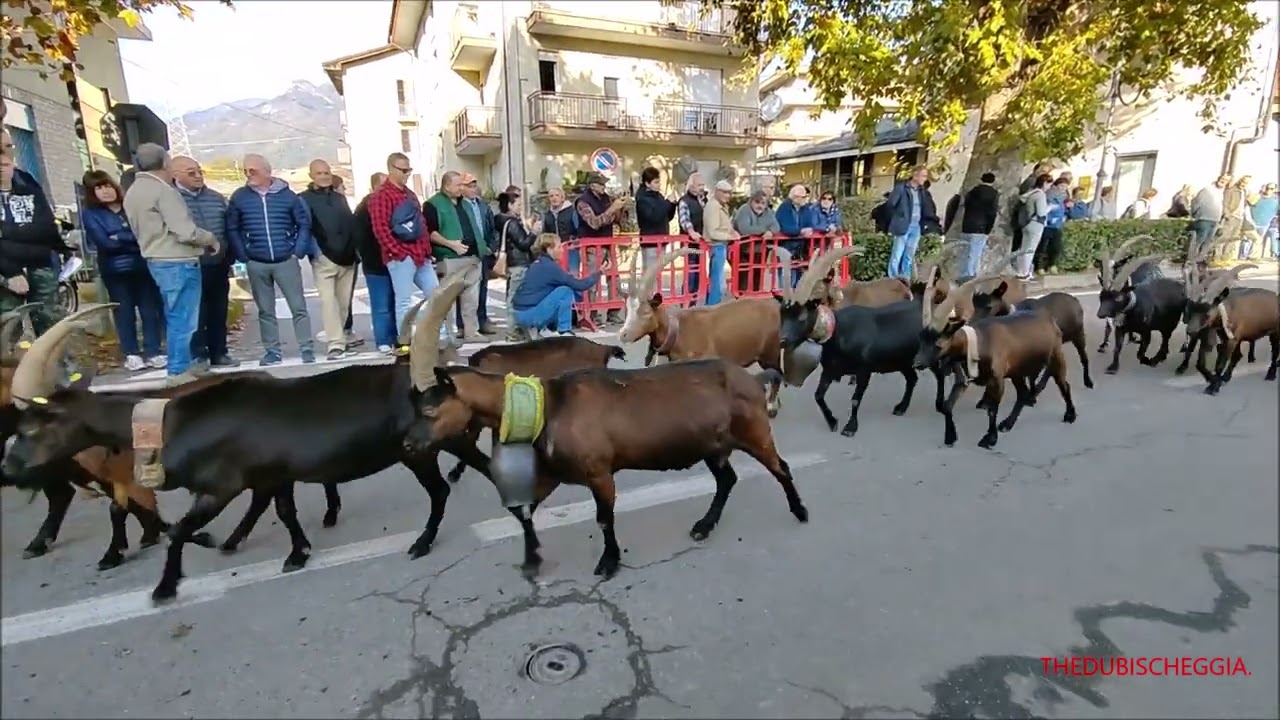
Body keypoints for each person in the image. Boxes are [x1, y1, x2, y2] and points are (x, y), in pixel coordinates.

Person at [123, 143, 219, 386]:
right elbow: (185, 231)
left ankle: (183, 364)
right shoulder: (163, 191)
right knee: (182, 318)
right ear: (165, 163)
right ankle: (178, 371)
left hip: (156, 258)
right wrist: (209, 238)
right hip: (178, 260)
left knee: (175, 314)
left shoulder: (133, 191)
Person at [227, 154, 317, 366]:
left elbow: (303, 223)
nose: (249, 175)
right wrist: (243, 255)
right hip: (256, 261)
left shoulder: (288, 196)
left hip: (286, 259)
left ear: (267, 171)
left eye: (253, 170)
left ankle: (306, 349)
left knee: (298, 307)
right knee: (265, 310)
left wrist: (298, 251)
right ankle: (272, 352)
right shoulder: (240, 197)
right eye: (246, 171)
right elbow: (232, 227)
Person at [80, 170, 164, 371]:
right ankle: (131, 353)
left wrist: (120, 237)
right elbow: (104, 243)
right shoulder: (91, 214)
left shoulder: (130, 207)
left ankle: (153, 351)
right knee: (124, 312)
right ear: (92, 193)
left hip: (143, 265)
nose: (106, 191)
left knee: (149, 310)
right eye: (99, 188)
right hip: (115, 270)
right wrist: (126, 239)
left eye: (107, 185)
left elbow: (146, 234)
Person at [370, 154, 447, 349]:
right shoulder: (381, 196)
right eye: (403, 170)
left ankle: (441, 337)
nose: (406, 174)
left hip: (420, 255)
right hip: (401, 256)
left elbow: (420, 224)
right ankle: (406, 342)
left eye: (408, 170)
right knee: (403, 302)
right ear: (391, 169)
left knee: (436, 295)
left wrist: (426, 251)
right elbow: (380, 229)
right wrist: (398, 252)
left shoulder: (409, 194)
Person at [171, 155, 238, 368]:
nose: (198, 176)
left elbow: (228, 227)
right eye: (191, 172)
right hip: (190, 263)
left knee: (219, 311)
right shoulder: (172, 199)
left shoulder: (216, 198)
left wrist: (229, 254)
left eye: (200, 171)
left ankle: (220, 352)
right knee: (196, 312)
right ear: (176, 174)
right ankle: (198, 354)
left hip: (219, 263)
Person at [0, 130, 63, 334]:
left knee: (51, 329)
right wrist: (10, 273)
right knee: (10, 332)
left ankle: (59, 366)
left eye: (9, 146)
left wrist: (7, 233)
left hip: (41, 265)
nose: (6, 152)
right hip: (5, 273)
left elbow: (47, 228)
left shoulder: (27, 182)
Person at [300, 159, 358, 360]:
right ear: (311, 176)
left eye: (326, 173)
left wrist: (355, 252)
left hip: (348, 259)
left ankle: (340, 339)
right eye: (319, 173)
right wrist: (316, 252)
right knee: (328, 302)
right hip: (324, 259)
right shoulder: (304, 199)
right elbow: (304, 228)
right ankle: (335, 343)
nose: (324, 177)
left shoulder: (339, 198)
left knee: (343, 304)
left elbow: (350, 225)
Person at [424, 170, 484, 343]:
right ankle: (448, 334)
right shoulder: (433, 204)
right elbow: (430, 232)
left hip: (473, 257)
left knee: (471, 299)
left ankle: (472, 332)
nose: (461, 188)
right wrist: (452, 244)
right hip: (451, 258)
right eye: (458, 185)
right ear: (447, 186)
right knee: (447, 299)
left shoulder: (465, 203)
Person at [509, 233, 602, 336]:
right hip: (530, 315)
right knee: (565, 291)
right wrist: (599, 273)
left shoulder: (538, 263)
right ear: (549, 249)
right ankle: (564, 330)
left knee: (555, 293)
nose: (562, 250)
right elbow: (580, 285)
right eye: (559, 247)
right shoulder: (550, 267)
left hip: (519, 313)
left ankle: (541, 328)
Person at [353, 172, 397, 353]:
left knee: (394, 302)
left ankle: (395, 338)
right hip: (375, 263)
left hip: (394, 260)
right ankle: (383, 341)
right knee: (381, 305)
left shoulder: (392, 203)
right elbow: (360, 236)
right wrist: (367, 256)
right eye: (384, 184)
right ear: (374, 187)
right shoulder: (365, 207)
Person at [575, 173, 625, 324]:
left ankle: (613, 313)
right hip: (591, 246)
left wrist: (619, 208)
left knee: (614, 279)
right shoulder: (583, 202)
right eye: (601, 184)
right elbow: (594, 223)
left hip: (608, 243)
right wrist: (611, 210)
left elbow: (614, 221)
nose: (604, 187)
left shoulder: (605, 198)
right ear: (593, 185)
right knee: (592, 281)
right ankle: (592, 315)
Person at [493, 190, 537, 341]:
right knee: (515, 299)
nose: (520, 208)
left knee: (514, 297)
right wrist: (533, 233)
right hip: (519, 262)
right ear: (510, 205)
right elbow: (523, 243)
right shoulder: (511, 223)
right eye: (518, 205)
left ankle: (517, 330)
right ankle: (513, 331)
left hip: (513, 263)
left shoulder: (501, 221)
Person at [458, 174, 497, 336]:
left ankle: (482, 321)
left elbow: (492, 228)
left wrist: (492, 247)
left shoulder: (483, 205)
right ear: (462, 188)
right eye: (469, 185)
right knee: (464, 291)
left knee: (482, 290)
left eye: (474, 185)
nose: (473, 188)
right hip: (466, 253)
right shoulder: (459, 206)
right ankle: (462, 325)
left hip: (484, 253)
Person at [731, 189, 780, 293]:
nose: (760, 206)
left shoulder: (768, 212)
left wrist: (771, 232)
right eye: (757, 202)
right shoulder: (744, 210)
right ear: (751, 201)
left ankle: (754, 300)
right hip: (743, 251)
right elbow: (745, 229)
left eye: (763, 203)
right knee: (743, 281)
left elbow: (776, 226)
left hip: (759, 251)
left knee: (757, 280)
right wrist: (764, 231)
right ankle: (740, 301)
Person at [884, 166, 929, 279]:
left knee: (909, 255)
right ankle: (893, 279)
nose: (925, 178)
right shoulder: (901, 188)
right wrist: (898, 218)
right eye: (923, 176)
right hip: (903, 225)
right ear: (915, 175)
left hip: (916, 226)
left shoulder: (921, 191)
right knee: (897, 255)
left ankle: (905, 279)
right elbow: (890, 205)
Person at [700, 179, 737, 306]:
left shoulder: (721, 206)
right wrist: (730, 236)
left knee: (718, 281)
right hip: (716, 246)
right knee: (717, 282)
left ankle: (713, 308)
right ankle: (712, 309)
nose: (727, 196)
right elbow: (713, 232)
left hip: (721, 246)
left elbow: (724, 226)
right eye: (724, 192)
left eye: (729, 193)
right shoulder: (713, 207)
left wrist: (732, 232)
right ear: (717, 192)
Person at [634, 166, 677, 273]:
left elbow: (666, 217)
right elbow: (654, 217)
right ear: (647, 183)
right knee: (650, 274)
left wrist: (672, 205)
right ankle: (649, 290)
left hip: (662, 239)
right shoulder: (642, 199)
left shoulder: (659, 196)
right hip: (650, 242)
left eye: (659, 182)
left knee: (658, 273)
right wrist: (668, 203)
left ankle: (656, 290)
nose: (659, 185)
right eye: (656, 182)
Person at [775, 183, 818, 287]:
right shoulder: (784, 208)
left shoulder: (805, 208)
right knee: (787, 276)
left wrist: (809, 230)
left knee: (798, 276)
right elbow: (786, 227)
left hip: (800, 248)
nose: (805, 199)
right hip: (786, 247)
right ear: (795, 197)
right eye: (803, 197)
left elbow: (810, 223)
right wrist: (801, 231)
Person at [957, 172, 1000, 276]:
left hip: (967, 225)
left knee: (965, 253)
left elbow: (966, 205)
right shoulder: (993, 194)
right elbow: (992, 213)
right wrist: (988, 229)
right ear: (993, 181)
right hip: (981, 227)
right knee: (975, 254)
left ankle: (962, 275)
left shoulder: (972, 191)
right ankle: (970, 277)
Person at [677, 173, 709, 301]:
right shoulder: (684, 201)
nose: (702, 187)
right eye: (699, 185)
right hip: (689, 243)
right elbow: (685, 220)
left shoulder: (704, 200)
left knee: (699, 273)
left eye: (702, 184)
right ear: (691, 186)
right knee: (690, 273)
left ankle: (694, 301)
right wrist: (692, 232)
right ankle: (686, 302)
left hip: (701, 242)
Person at [1015, 173, 1052, 280]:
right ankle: (1025, 273)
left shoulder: (1030, 193)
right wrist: (1049, 208)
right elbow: (1041, 213)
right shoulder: (1040, 195)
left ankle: (1020, 271)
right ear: (1045, 183)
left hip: (1026, 222)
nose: (1049, 187)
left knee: (1024, 248)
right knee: (1030, 249)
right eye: (1049, 184)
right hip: (1036, 223)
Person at [1190, 175, 1230, 260]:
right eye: (1222, 179)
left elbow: (1221, 205)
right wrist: (1194, 213)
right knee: (1200, 240)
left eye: (1226, 180)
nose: (1223, 181)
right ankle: (1192, 259)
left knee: (1208, 241)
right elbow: (1197, 202)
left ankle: (1199, 259)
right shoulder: (1207, 190)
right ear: (1218, 179)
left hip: (1215, 220)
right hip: (1204, 218)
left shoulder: (1222, 192)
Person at [1036, 176, 1070, 274]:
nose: (1063, 188)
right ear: (1056, 185)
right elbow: (1045, 209)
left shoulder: (1064, 197)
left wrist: (1064, 214)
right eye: (1061, 186)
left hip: (1057, 225)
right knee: (1043, 246)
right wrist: (1051, 218)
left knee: (1056, 247)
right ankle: (1040, 267)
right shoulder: (1049, 195)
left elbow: (1063, 209)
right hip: (1048, 225)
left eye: (1065, 187)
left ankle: (1052, 265)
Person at [541, 186, 579, 274]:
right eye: (551, 196)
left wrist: (574, 241)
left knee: (572, 274)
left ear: (562, 198)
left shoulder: (572, 212)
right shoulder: (547, 215)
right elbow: (545, 233)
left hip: (570, 249)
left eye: (557, 195)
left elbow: (579, 229)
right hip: (553, 250)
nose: (554, 198)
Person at [1248, 182, 1278, 260]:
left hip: (1265, 224)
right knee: (1248, 240)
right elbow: (1248, 202)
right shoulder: (1258, 197)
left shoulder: (1275, 201)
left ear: (1274, 190)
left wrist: (1272, 219)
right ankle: (1242, 256)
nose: (1268, 190)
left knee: (1258, 241)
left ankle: (1252, 257)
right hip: (1252, 222)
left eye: (1271, 189)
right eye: (1267, 188)